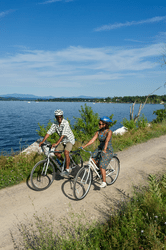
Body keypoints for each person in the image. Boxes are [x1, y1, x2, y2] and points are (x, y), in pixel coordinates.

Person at [39, 109, 75, 177]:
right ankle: (65, 162)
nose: (59, 118)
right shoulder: (55, 124)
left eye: (60, 116)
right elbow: (48, 132)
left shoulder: (65, 123)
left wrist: (56, 143)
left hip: (69, 140)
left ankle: (67, 169)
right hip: (62, 141)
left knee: (66, 152)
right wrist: (42, 141)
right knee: (56, 152)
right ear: (55, 117)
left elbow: (62, 135)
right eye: (57, 117)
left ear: (62, 116)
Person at [82, 116, 113, 188]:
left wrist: (105, 149)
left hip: (107, 149)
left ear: (105, 125)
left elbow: (107, 141)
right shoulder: (98, 132)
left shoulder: (109, 132)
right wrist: (85, 146)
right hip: (100, 148)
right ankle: (99, 170)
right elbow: (92, 140)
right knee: (92, 158)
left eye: (100, 124)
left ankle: (104, 182)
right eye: (98, 124)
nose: (99, 125)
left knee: (102, 165)